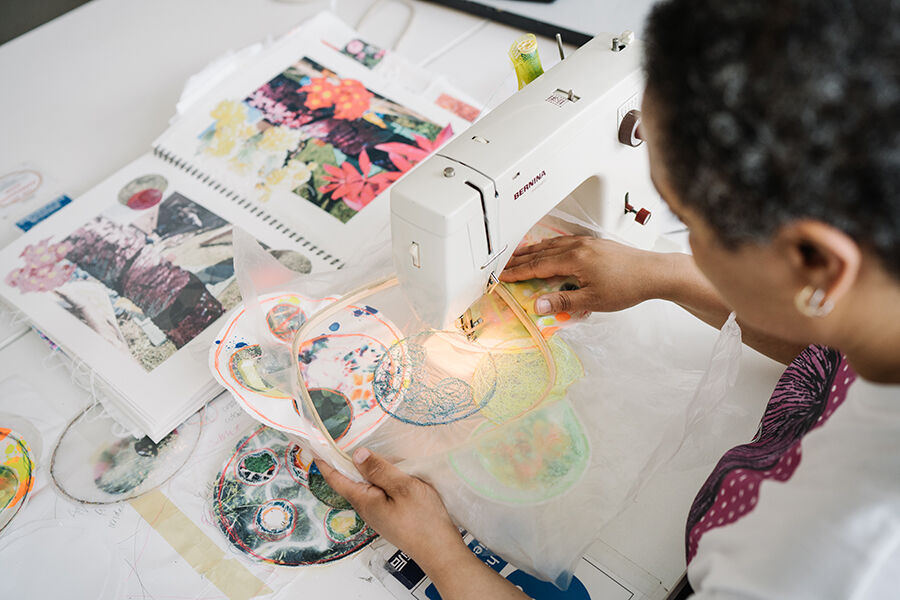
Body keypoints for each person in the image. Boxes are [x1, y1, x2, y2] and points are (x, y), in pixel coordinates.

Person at [316, 0, 900, 597]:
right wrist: (662, 274)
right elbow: (829, 342)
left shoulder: (817, 564)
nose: (684, 237)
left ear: (814, 260)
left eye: (688, 220)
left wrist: (440, 552)